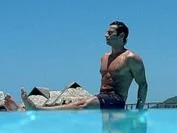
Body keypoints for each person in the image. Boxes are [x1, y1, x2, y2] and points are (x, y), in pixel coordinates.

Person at [4, 21, 148, 111]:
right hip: (101, 98)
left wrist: (139, 110)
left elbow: (142, 84)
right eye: (106, 32)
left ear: (121, 36)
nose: (106, 35)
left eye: (110, 33)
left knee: (83, 104)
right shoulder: (104, 57)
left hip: (117, 100)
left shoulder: (131, 58)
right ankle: (23, 109)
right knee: (76, 104)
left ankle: (38, 109)